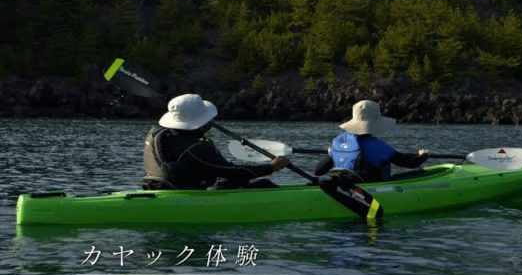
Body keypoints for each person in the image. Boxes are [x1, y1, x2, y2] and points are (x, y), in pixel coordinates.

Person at [142, 94, 290, 190]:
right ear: (202, 121)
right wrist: (271, 167)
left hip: (158, 187)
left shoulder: (156, 133)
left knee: (240, 183)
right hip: (188, 194)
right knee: (264, 185)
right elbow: (233, 172)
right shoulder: (196, 148)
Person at [315, 100, 428, 182]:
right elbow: (410, 163)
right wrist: (423, 156)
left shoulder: (338, 141)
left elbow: (318, 171)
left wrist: (332, 153)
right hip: (370, 189)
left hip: (344, 184)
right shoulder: (377, 146)